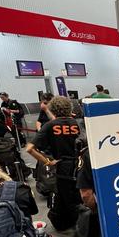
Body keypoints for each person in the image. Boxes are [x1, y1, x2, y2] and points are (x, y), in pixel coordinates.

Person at [26, 96, 82, 230]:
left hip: (62, 167)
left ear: (52, 110)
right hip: (82, 164)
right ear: (70, 108)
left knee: (68, 198)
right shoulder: (78, 123)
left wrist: (47, 162)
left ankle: (79, 227)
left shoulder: (50, 125)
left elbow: (29, 148)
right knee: (81, 195)